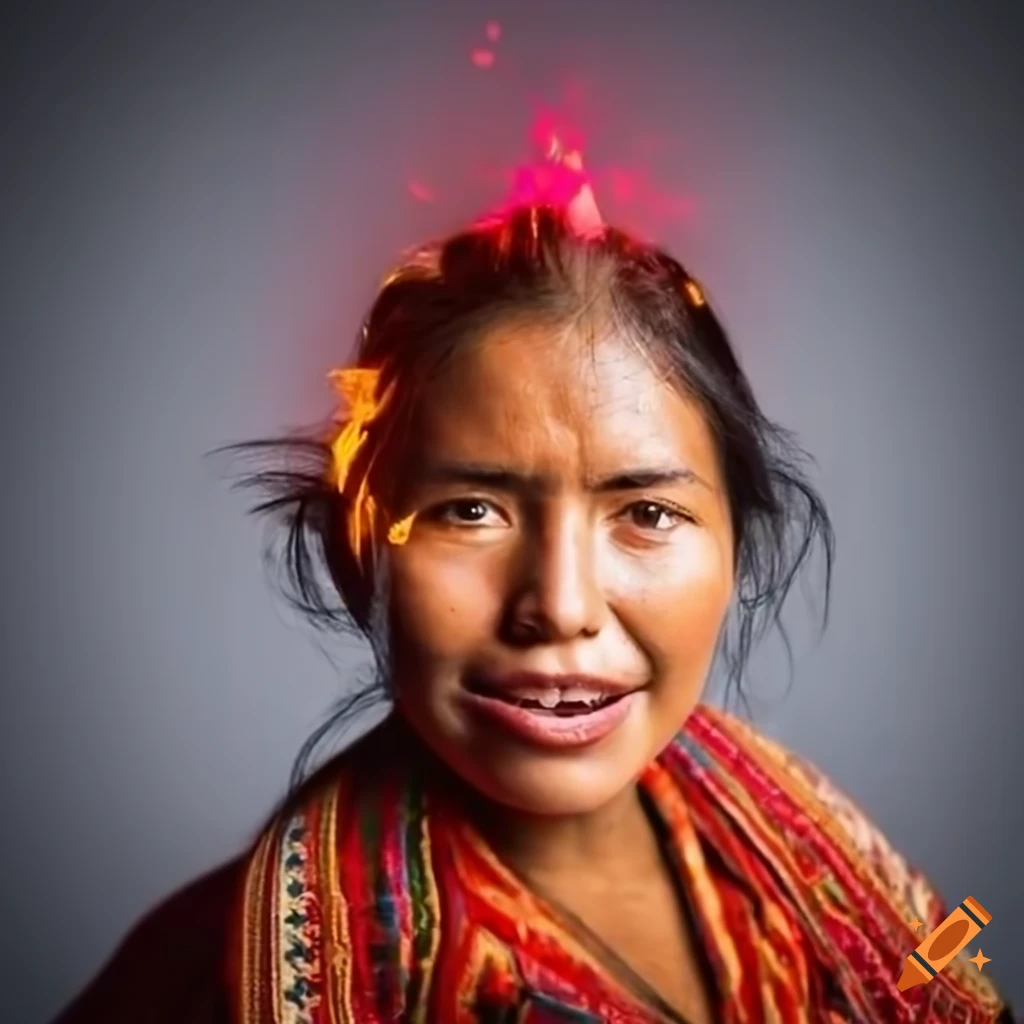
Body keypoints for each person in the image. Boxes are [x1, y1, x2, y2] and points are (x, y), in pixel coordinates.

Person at [54, 196, 1013, 1023]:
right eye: (471, 511)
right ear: (358, 556)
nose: (559, 606)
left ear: (736, 553)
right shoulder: (198, 978)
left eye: (646, 513)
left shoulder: (822, 855)